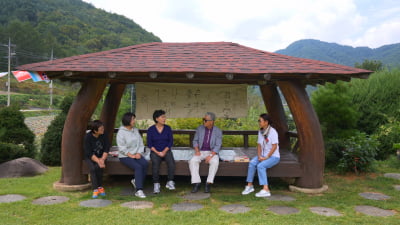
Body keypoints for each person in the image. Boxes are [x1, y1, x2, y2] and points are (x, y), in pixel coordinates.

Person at [242, 113, 280, 197]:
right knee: (252, 163)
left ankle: (266, 189)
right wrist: (259, 156)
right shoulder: (261, 131)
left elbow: (274, 146)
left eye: (260, 121)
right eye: (258, 121)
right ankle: (249, 186)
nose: (259, 122)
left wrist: (266, 157)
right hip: (262, 155)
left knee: (261, 166)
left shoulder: (273, 132)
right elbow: (259, 145)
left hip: (273, 157)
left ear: (266, 122)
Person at [117, 112, 148, 198]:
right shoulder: (121, 132)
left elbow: (141, 143)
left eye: (134, 119)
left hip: (136, 154)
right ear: (128, 120)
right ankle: (139, 190)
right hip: (125, 156)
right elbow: (121, 147)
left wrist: (138, 153)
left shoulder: (135, 130)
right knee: (138, 167)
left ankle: (136, 181)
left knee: (145, 163)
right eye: (133, 119)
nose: (134, 121)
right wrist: (131, 155)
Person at [189, 112, 222, 193]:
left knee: (214, 162)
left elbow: (218, 145)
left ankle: (208, 183)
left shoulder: (218, 131)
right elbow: (195, 141)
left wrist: (210, 155)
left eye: (205, 120)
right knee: (193, 161)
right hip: (200, 151)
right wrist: (197, 151)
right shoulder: (200, 128)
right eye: (203, 120)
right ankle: (196, 183)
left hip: (212, 152)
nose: (204, 122)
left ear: (212, 121)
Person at [147, 109, 175, 194]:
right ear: (156, 119)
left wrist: (164, 151)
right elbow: (149, 144)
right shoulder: (151, 129)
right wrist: (158, 152)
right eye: (162, 117)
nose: (164, 119)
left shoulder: (167, 128)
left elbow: (170, 142)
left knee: (171, 163)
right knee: (155, 163)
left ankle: (170, 181)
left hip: (166, 150)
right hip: (155, 151)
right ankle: (156, 184)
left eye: (164, 117)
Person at [84, 120, 110, 198]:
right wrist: (98, 161)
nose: (103, 129)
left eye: (103, 128)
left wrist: (102, 160)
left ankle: (100, 187)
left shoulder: (104, 134)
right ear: (95, 131)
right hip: (90, 156)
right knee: (93, 168)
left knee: (99, 167)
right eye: (101, 128)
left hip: (101, 155)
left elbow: (106, 148)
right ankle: (95, 189)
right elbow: (89, 152)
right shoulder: (87, 137)